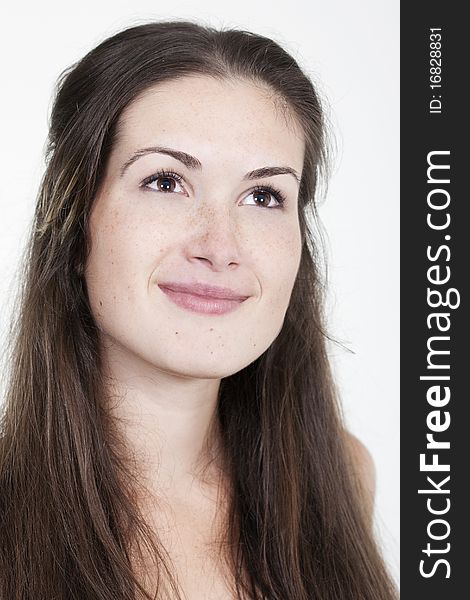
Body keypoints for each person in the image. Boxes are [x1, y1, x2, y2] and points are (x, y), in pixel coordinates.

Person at [0, 20, 397, 600]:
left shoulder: (343, 476)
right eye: (166, 182)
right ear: (76, 223)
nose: (219, 246)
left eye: (264, 196)